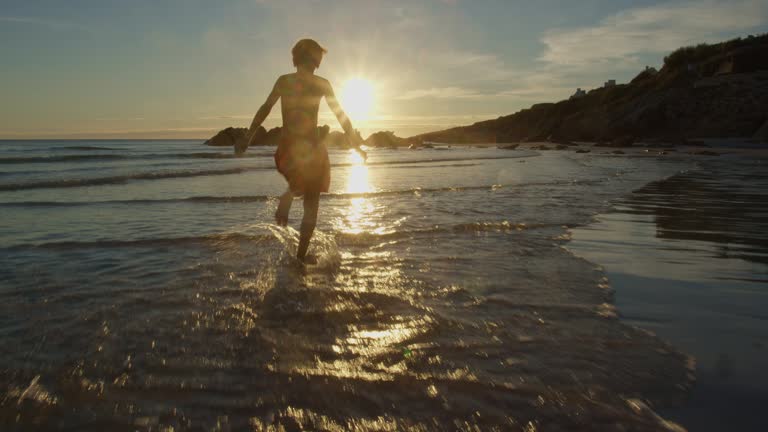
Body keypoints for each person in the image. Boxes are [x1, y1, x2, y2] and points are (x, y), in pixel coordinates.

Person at [245, 38, 367, 262]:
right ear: (314, 59)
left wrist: (248, 136)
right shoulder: (322, 83)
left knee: (305, 191)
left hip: (289, 145)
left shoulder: (284, 80)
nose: (320, 59)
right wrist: (355, 143)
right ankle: (290, 197)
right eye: (319, 56)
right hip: (312, 147)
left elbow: (265, 107)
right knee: (312, 205)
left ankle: (300, 257)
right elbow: (341, 115)